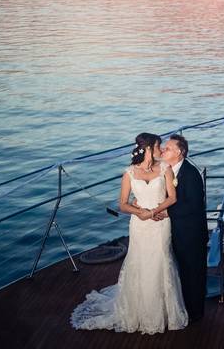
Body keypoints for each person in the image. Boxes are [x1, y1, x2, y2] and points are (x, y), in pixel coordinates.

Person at [70, 133, 188, 334]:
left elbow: (173, 198)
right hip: (139, 226)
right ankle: (139, 313)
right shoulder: (129, 173)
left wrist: (153, 211)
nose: (161, 151)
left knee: (161, 261)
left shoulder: (165, 169)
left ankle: (163, 313)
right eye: (158, 146)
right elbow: (123, 204)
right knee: (140, 262)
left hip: (160, 224)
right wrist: (139, 212)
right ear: (149, 149)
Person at [155, 134, 208, 321]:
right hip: (176, 232)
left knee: (193, 273)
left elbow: (193, 205)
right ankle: (182, 307)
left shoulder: (190, 174)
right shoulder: (168, 170)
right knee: (181, 272)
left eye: (167, 148)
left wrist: (168, 213)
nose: (163, 150)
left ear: (179, 152)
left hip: (191, 234)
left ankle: (195, 315)